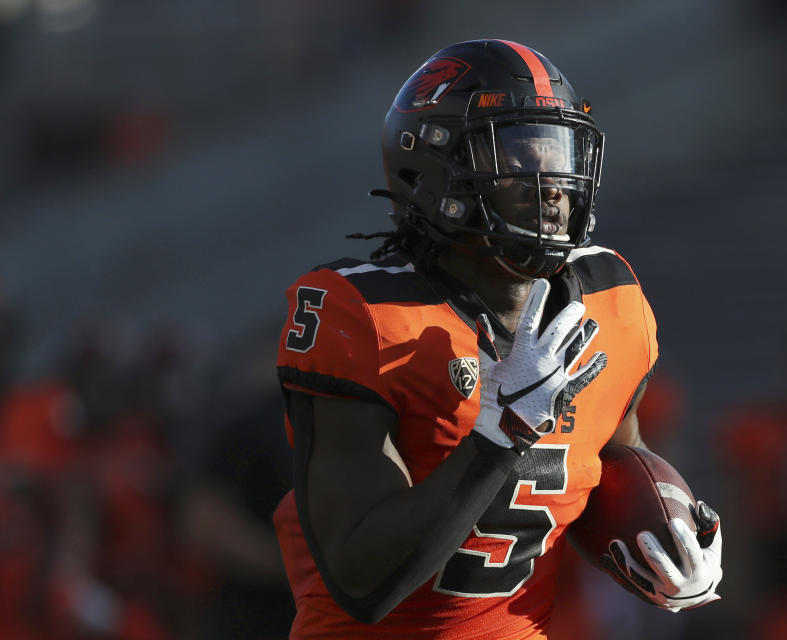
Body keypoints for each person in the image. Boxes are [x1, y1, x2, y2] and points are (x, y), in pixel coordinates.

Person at [272, 39, 723, 639]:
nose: (556, 182)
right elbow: (363, 579)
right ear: (435, 168)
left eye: (559, 151)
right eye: (523, 155)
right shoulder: (366, 316)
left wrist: (664, 543)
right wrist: (500, 434)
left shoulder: (609, 300)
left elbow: (602, 465)